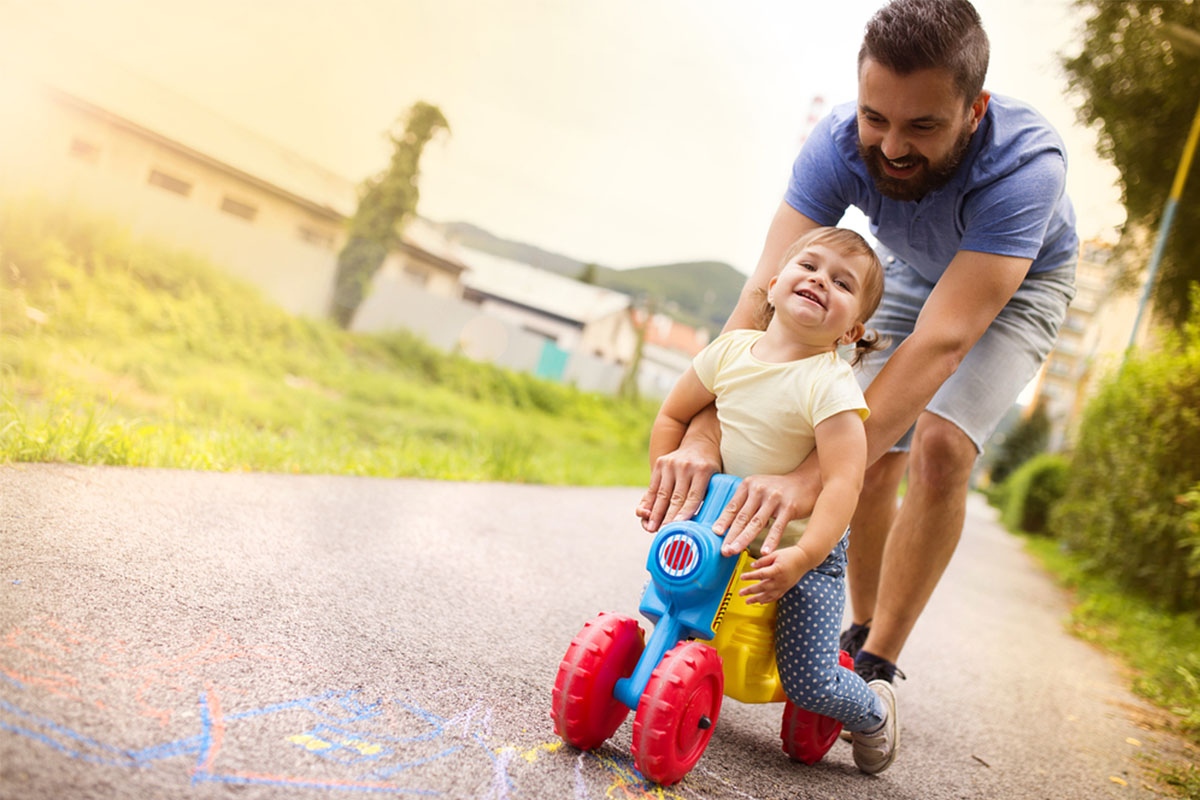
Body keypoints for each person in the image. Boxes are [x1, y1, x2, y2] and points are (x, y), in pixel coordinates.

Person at [639, 0, 1078, 690]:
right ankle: (857, 624)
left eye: (922, 126)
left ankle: (879, 658)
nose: (894, 148)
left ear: (974, 109)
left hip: (1020, 287)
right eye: (878, 119)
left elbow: (943, 341)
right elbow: (762, 300)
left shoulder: (1027, 167)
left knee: (935, 444)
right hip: (911, 274)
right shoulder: (838, 142)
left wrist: (808, 480)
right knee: (871, 460)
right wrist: (703, 432)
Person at [639, 226, 897, 774]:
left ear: (852, 329)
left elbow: (844, 484)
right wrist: (662, 491)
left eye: (842, 281)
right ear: (775, 285)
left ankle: (871, 709)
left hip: (804, 552)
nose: (820, 281)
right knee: (670, 607)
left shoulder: (830, 387)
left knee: (807, 677)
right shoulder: (728, 352)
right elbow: (673, 415)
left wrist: (804, 559)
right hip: (719, 528)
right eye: (810, 266)